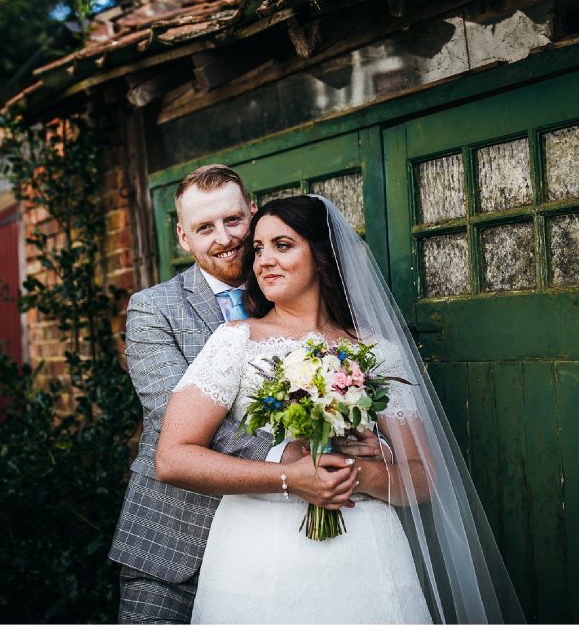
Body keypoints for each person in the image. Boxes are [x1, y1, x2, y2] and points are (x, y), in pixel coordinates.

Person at [155, 195, 526, 624]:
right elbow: (173, 457)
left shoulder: (375, 351)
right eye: (258, 249)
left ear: (322, 253)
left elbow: (421, 477)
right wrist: (288, 478)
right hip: (259, 557)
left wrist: (363, 475)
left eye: (282, 245)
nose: (263, 262)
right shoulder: (235, 341)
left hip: (366, 557)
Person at [109, 167, 377, 624]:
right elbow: (169, 419)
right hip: (173, 545)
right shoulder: (154, 308)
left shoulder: (292, 291)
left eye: (234, 220)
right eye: (204, 228)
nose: (225, 238)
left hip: (278, 545)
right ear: (182, 237)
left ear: (253, 212)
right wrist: (302, 454)